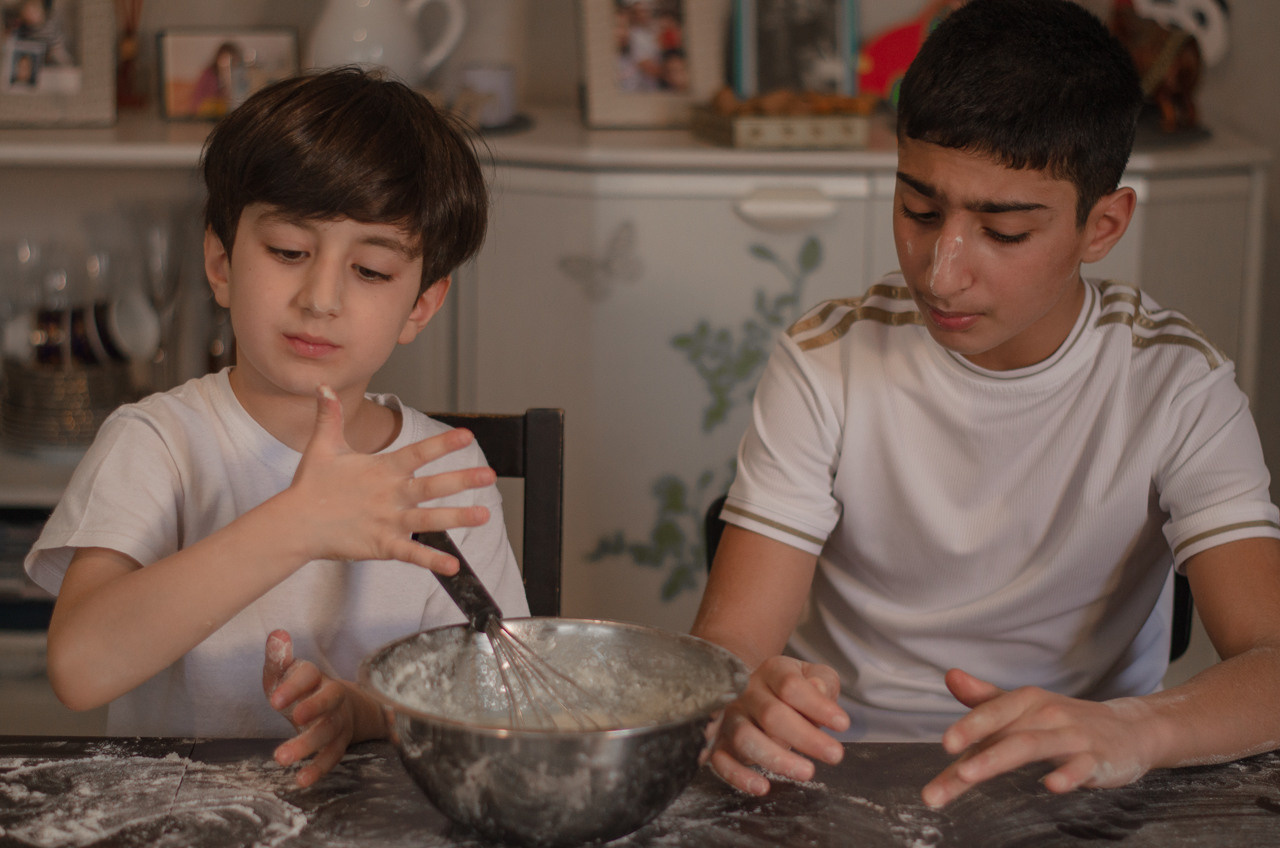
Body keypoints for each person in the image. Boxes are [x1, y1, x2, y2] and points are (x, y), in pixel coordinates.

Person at [691, 0, 1280, 809]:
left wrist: (1136, 730)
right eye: (918, 211)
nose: (940, 271)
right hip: (837, 774)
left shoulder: (1176, 386)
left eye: (1003, 231)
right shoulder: (828, 361)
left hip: (1081, 787)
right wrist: (743, 698)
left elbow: (1273, 661)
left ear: (1102, 225)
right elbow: (726, 647)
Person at [25, 67, 528, 787]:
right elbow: (80, 668)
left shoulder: (441, 472)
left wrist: (365, 713)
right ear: (221, 263)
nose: (320, 297)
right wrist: (296, 524)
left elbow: (495, 690)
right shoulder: (157, 443)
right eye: (289, 252)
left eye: (372, 271)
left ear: (421, 305)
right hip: (179, 818)